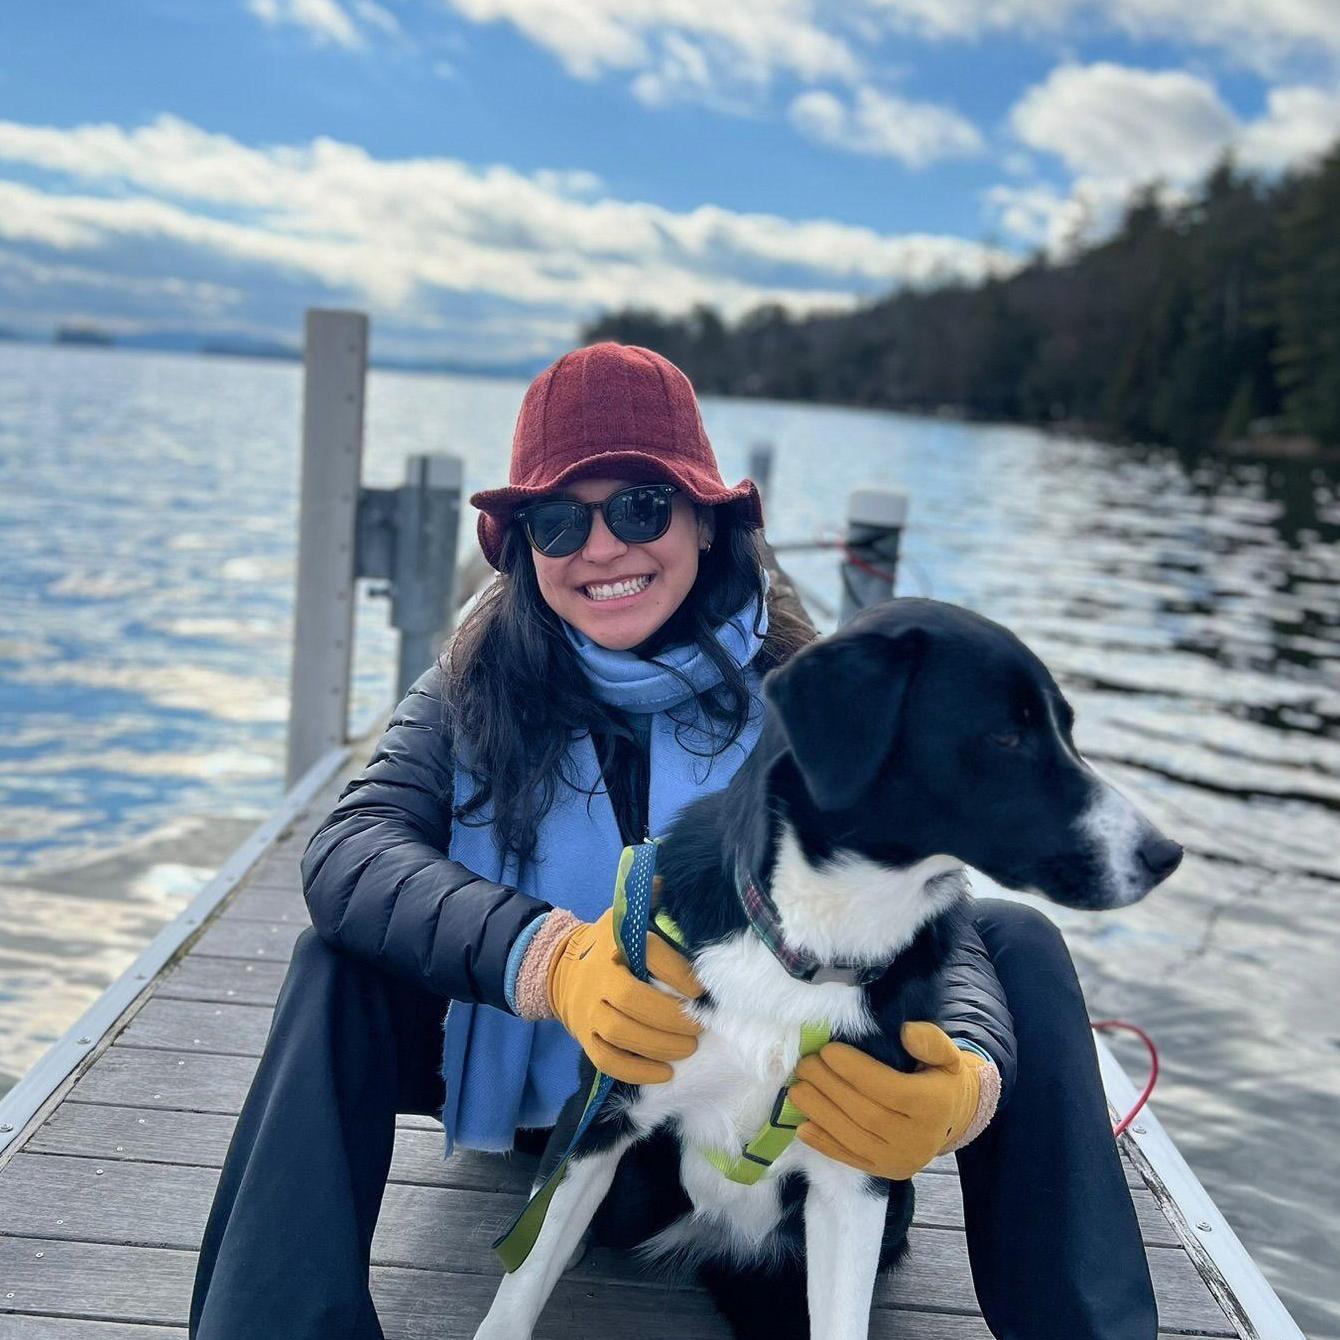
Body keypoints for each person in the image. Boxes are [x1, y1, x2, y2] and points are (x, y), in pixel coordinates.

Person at [189, 342, 1158, 1339]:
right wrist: (551, 959)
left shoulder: (811, 694)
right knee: (332, 958)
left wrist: (967, 1071)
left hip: (783, 1134)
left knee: (1014, 940)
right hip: (574, 1126)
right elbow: (350, 849)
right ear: (521, 547)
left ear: (706, 516)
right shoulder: (468, 688)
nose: (601, 546)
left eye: (641, 506)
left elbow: (928, 905)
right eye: (558, 519)